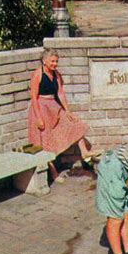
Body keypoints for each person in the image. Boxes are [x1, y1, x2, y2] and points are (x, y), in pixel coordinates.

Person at [28, 48, 100, 182]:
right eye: (52, 61)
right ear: (44, 61)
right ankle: (54, 173)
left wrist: (67, 111)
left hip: (54, 107)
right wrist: (38, 118)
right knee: (45, 141)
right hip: (41, 108)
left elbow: (60, 93)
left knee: (75, 124)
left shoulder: (56, 74)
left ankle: (84, 152)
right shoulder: (37, 74)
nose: (55, 64)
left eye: (56, 61)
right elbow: (33, 97)